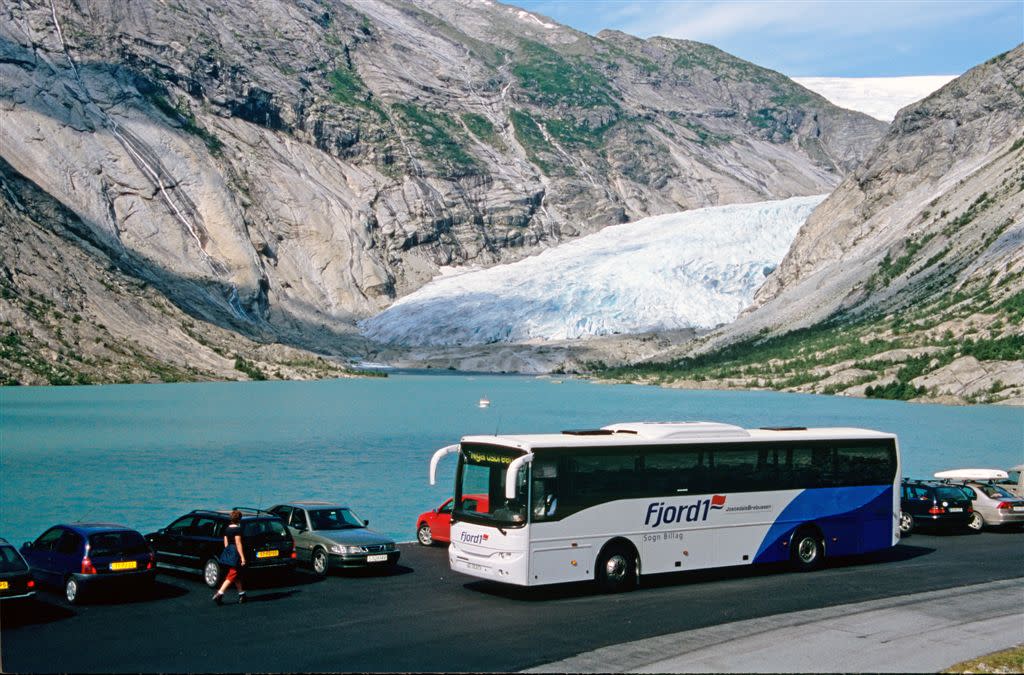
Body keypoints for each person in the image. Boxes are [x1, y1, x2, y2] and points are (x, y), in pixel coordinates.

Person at [212, 509, 247, 605]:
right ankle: (219, 594)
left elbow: (226, 543)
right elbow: (238, 543)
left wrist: (228, 551)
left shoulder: (227, 529)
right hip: (235, 553)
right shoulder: (238, 529)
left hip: (228, 552)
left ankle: (241, 594)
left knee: (236, 574)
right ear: (239, 519)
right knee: (233, 573)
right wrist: (243, 557)